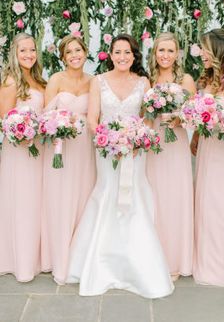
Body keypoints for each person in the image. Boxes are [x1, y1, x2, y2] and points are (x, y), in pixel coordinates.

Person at [66, 34, 174, 298]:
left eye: (127, 52)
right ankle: (98, 262)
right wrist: (110, 139)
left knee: (134, 194)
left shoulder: (143, 82)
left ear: (134, 55)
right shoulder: (98, 81)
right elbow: (93, 119)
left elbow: (148, 118)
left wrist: (137, 138)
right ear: (110, 55)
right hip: (107, 151)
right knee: (107, 194)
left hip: (136, 150)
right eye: (118, 52)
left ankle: (137, 264)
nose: (123, 57)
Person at [41, 35, 96, 284]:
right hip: (60, 149)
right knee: (61, 198)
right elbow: (44, 118)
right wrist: (59, 126)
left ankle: (80, 256)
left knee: (83, 198)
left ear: (85, 52)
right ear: (63, 57)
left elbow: (97, 116)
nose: (75, 55)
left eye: (78, 50)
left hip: (84, 148)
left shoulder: (94, 81)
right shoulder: (55, 80)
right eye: (69, 52)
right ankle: (59, 258)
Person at [146, 32, 196, 281]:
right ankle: (153, 257)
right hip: (154, 144)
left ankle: (175, 260)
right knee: (154, 198)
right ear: (154, 53)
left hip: (175, 144)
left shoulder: (185, 79)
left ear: (177, 54)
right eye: (161, 50)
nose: (165, 55)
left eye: (170, 51)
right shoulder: (148, 79)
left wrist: (177, 118)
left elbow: (194, 115)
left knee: (175, 199)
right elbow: (143, 114)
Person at [0, 32, 46, 281]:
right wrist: (21, 132)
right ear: (15, 55)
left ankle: (35, 256)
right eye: (23, 51)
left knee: (36, 201)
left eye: (32, 50)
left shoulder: (39, 79)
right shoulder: (10, 81)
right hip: (19, 150)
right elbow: (4, 120)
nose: (29, 55)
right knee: (22, 201)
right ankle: (20, 261)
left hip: (38, 149)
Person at [192, 29, 224, 286]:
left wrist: (222, 120)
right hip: (208, 148)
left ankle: (221, 264)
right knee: (206, 202)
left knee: (220, 204)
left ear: (218, 51)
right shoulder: (209, 81)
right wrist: (197, 134)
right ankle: (207, 257)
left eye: (205, 49)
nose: (201, 54)